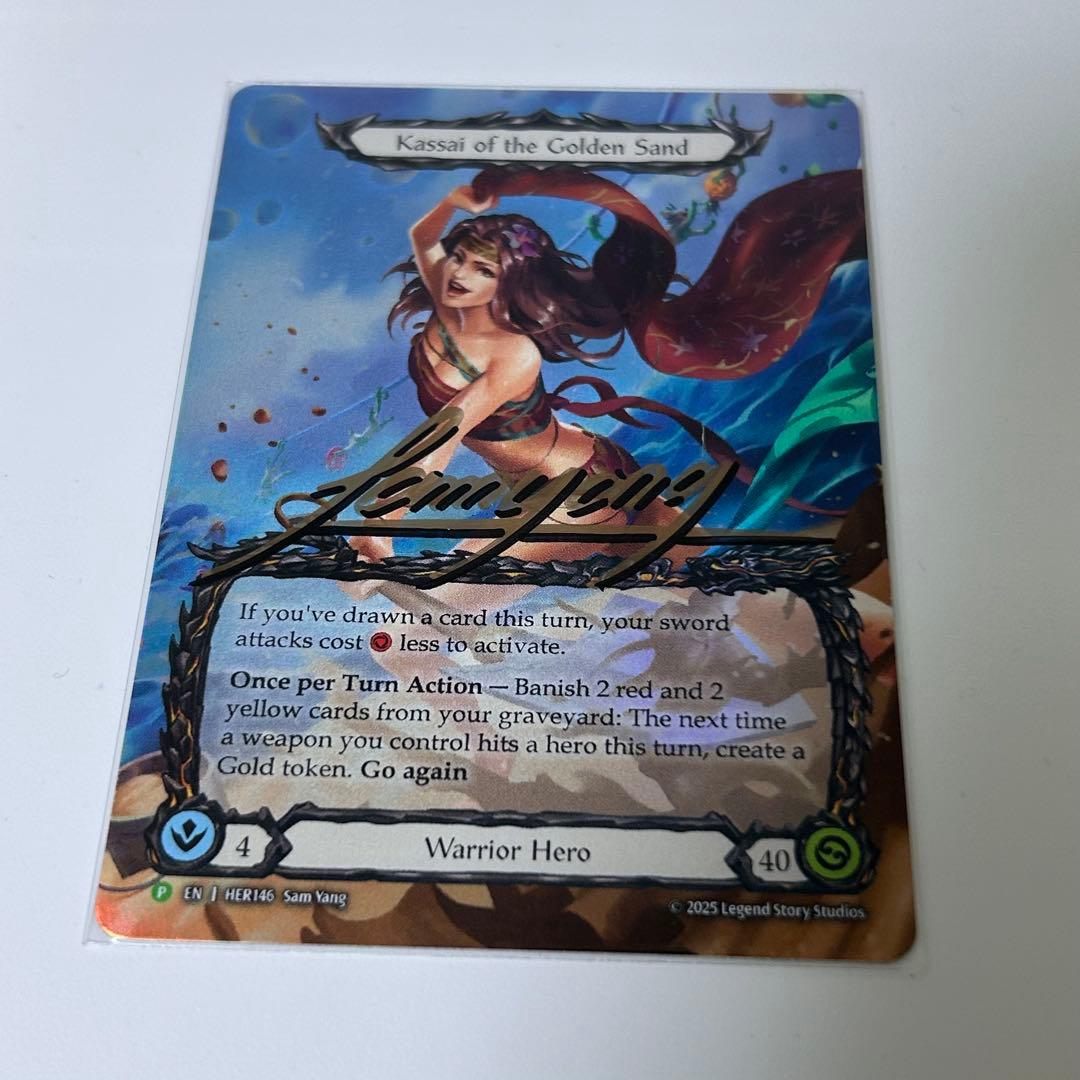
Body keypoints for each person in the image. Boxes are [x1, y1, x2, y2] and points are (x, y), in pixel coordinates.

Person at [350, 165, 866, 565]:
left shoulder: (514, 352)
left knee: (706, 587)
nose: (459, 273)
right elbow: (424, 238)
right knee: (698, 579)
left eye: (482, 269)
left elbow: (443, 435)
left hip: (580, 489)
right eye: (459, 257)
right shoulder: (449, 306)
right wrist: (451, 202)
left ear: (508, 284)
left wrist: (382, 522)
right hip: (555, 478)